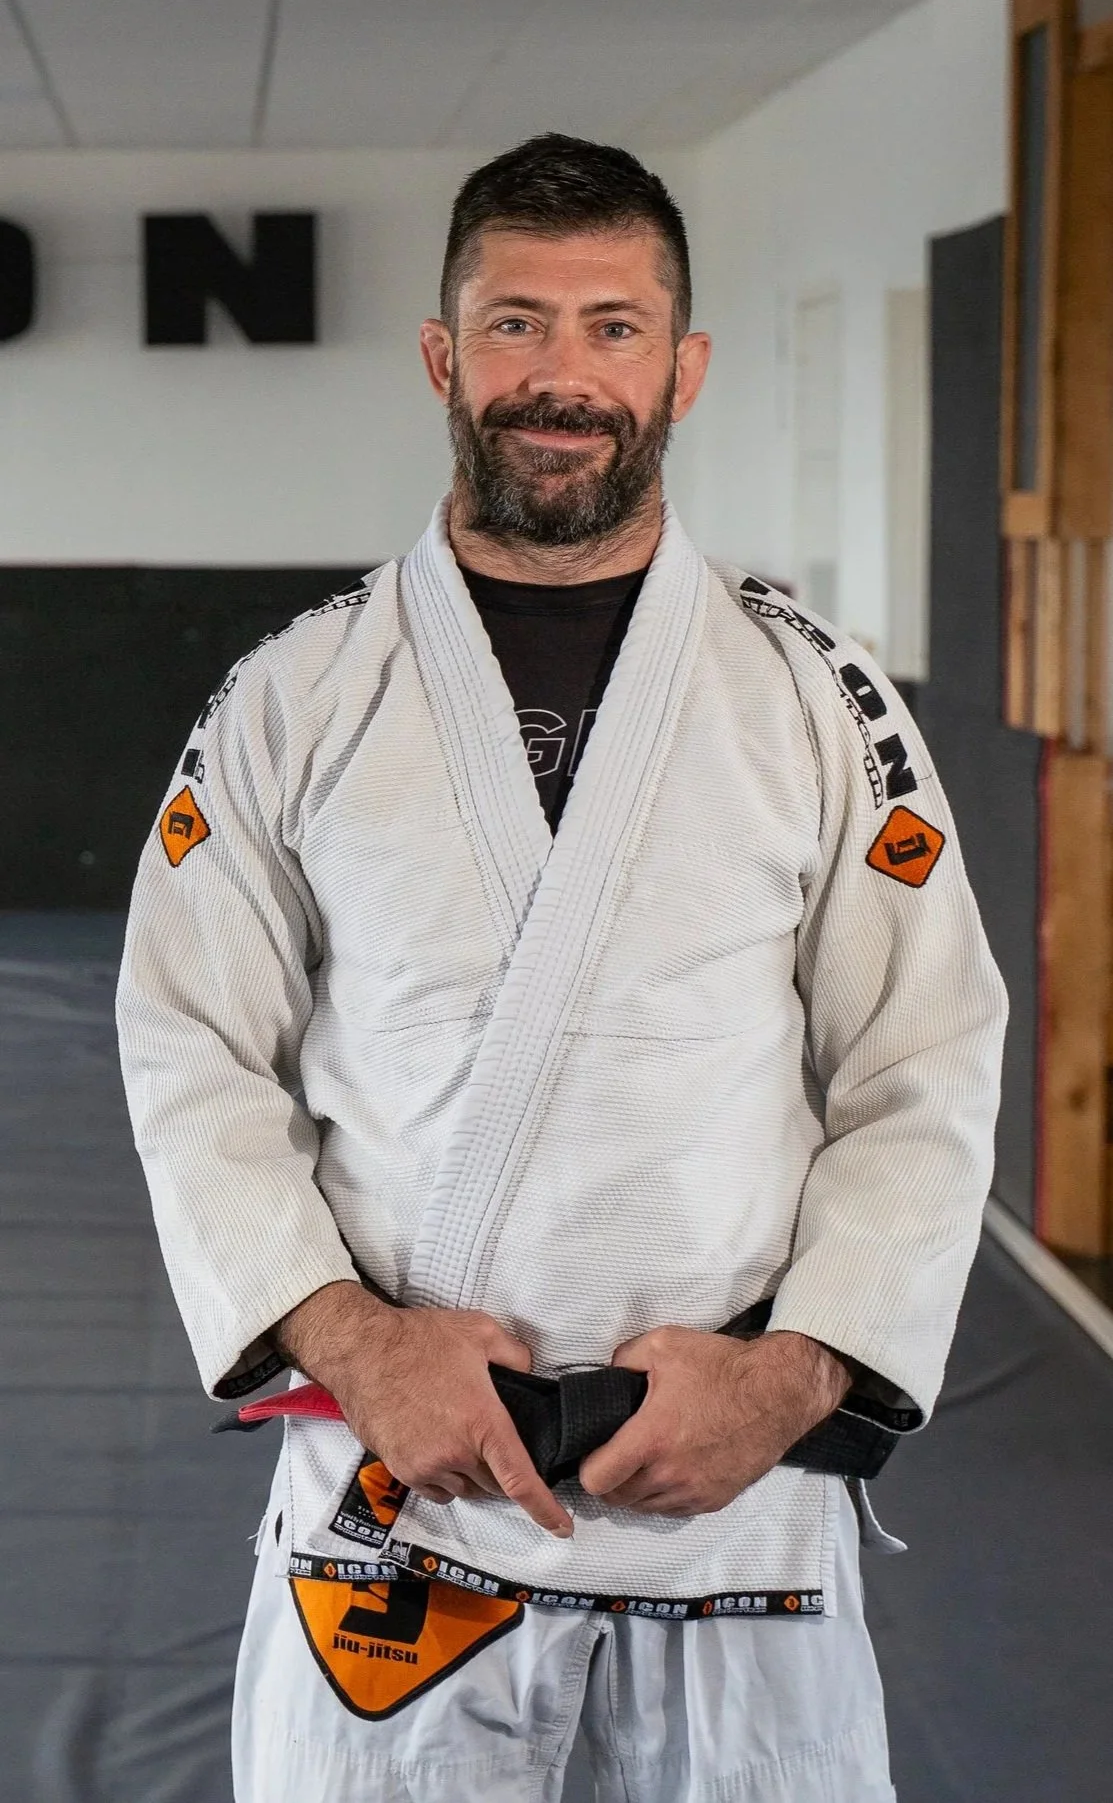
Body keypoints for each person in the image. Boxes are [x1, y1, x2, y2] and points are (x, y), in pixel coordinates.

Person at [116, 133, 1007, 1803]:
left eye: (613, 327)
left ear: (684, 368)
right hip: (405, 1489)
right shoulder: (293, 698)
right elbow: (192, 1050)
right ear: (446, 360)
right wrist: (356, 1342)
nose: (564, 375)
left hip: (729, 1484)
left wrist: (797, 1371)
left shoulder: (821, 696)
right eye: (518, 324)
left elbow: (925, 1059)